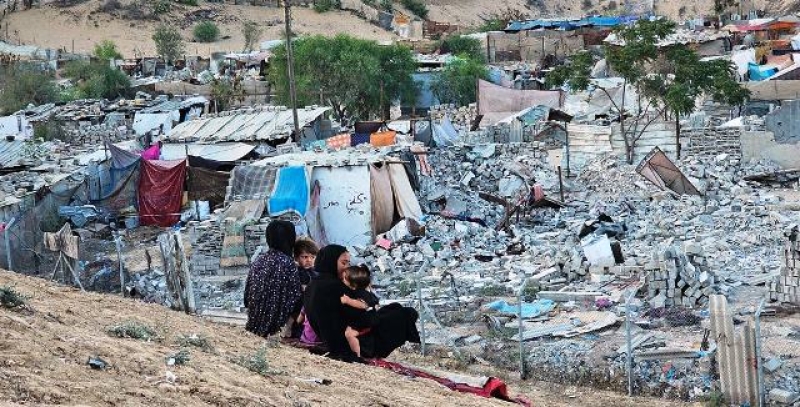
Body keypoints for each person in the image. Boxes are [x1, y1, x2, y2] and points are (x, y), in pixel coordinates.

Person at [305, 245, 421, 362]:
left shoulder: (314, 284)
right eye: (343, 263)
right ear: (330, 262)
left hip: (333, 339)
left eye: (348, 264)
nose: (347, 268)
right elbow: (365, 320)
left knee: (393, 308)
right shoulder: (335, 287)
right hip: (351, 343)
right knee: (406, 314)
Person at [244, 220, 302, 338]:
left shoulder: (258, 261)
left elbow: (246, 298)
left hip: (254, 325)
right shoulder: (288, 263)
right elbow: (296, 299)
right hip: (276, 327)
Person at [340, 265, 379, 357]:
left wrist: (348, 300)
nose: (342, 281)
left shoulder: (361, 294)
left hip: (364, 322)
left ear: (353, 285)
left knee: (349, 335)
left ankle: (356, 355)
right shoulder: (362, 292)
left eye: (344, 279)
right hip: (364, 319)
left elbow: (363, 305)